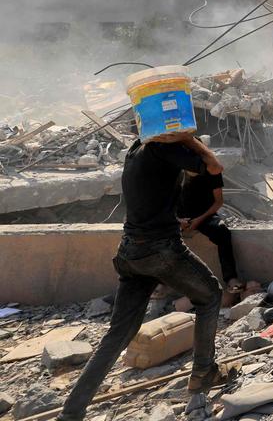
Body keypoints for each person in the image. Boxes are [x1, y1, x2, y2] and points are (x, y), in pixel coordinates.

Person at [57, 132, 235, 421]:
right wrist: (187, 138)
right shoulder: (162, 147)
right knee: (211, 295)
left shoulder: (136, 148)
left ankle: (71, 412)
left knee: (118, 334)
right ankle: (203, 374)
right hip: (160, 248)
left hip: (130, 250)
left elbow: (152, 193)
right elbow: (214, 166)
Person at [178, 164, 241, 289]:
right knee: (158, 236)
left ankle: (231, 278)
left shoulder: (212, 171)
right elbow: (163, 202)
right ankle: (160, 284)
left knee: (222, 231)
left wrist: (198, 220)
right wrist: (177, 221)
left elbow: (218, 202)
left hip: (205, 216)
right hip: (177, 217)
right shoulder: (175, 170)